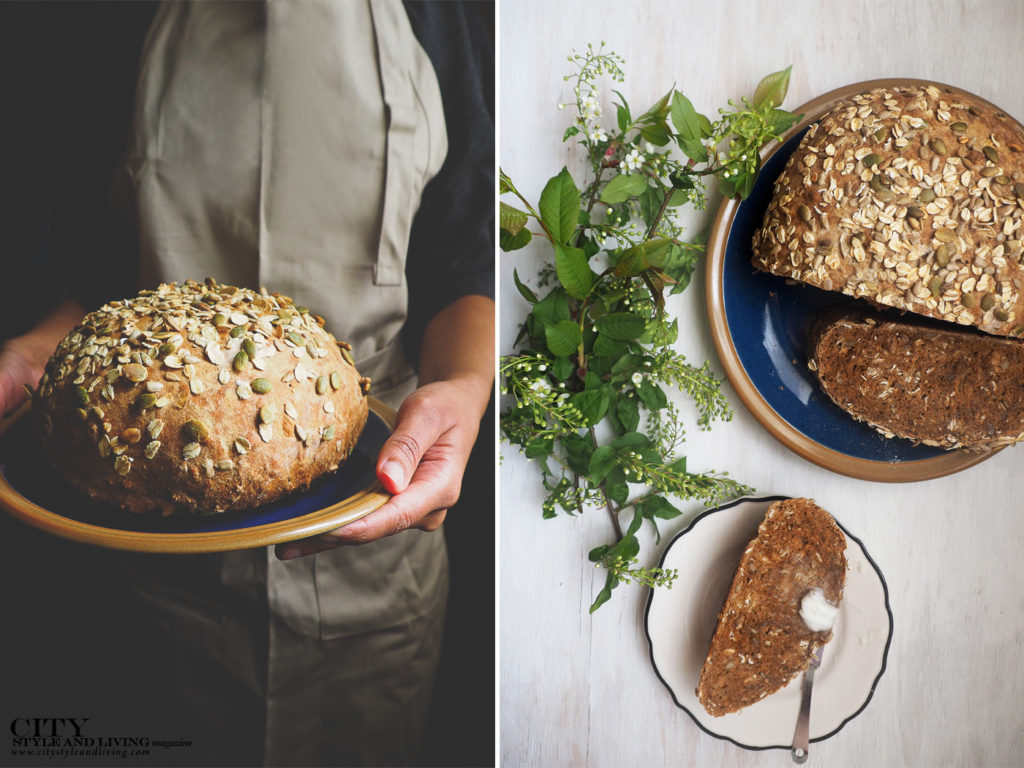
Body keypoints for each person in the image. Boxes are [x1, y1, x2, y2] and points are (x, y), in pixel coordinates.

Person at [0, 1, 494, 766]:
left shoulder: (437, 14)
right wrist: (36, 351)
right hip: (154, 574)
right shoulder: (120, 15)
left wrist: (463, 387)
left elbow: (463, 259)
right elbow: (93, 258)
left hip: (372, 544)